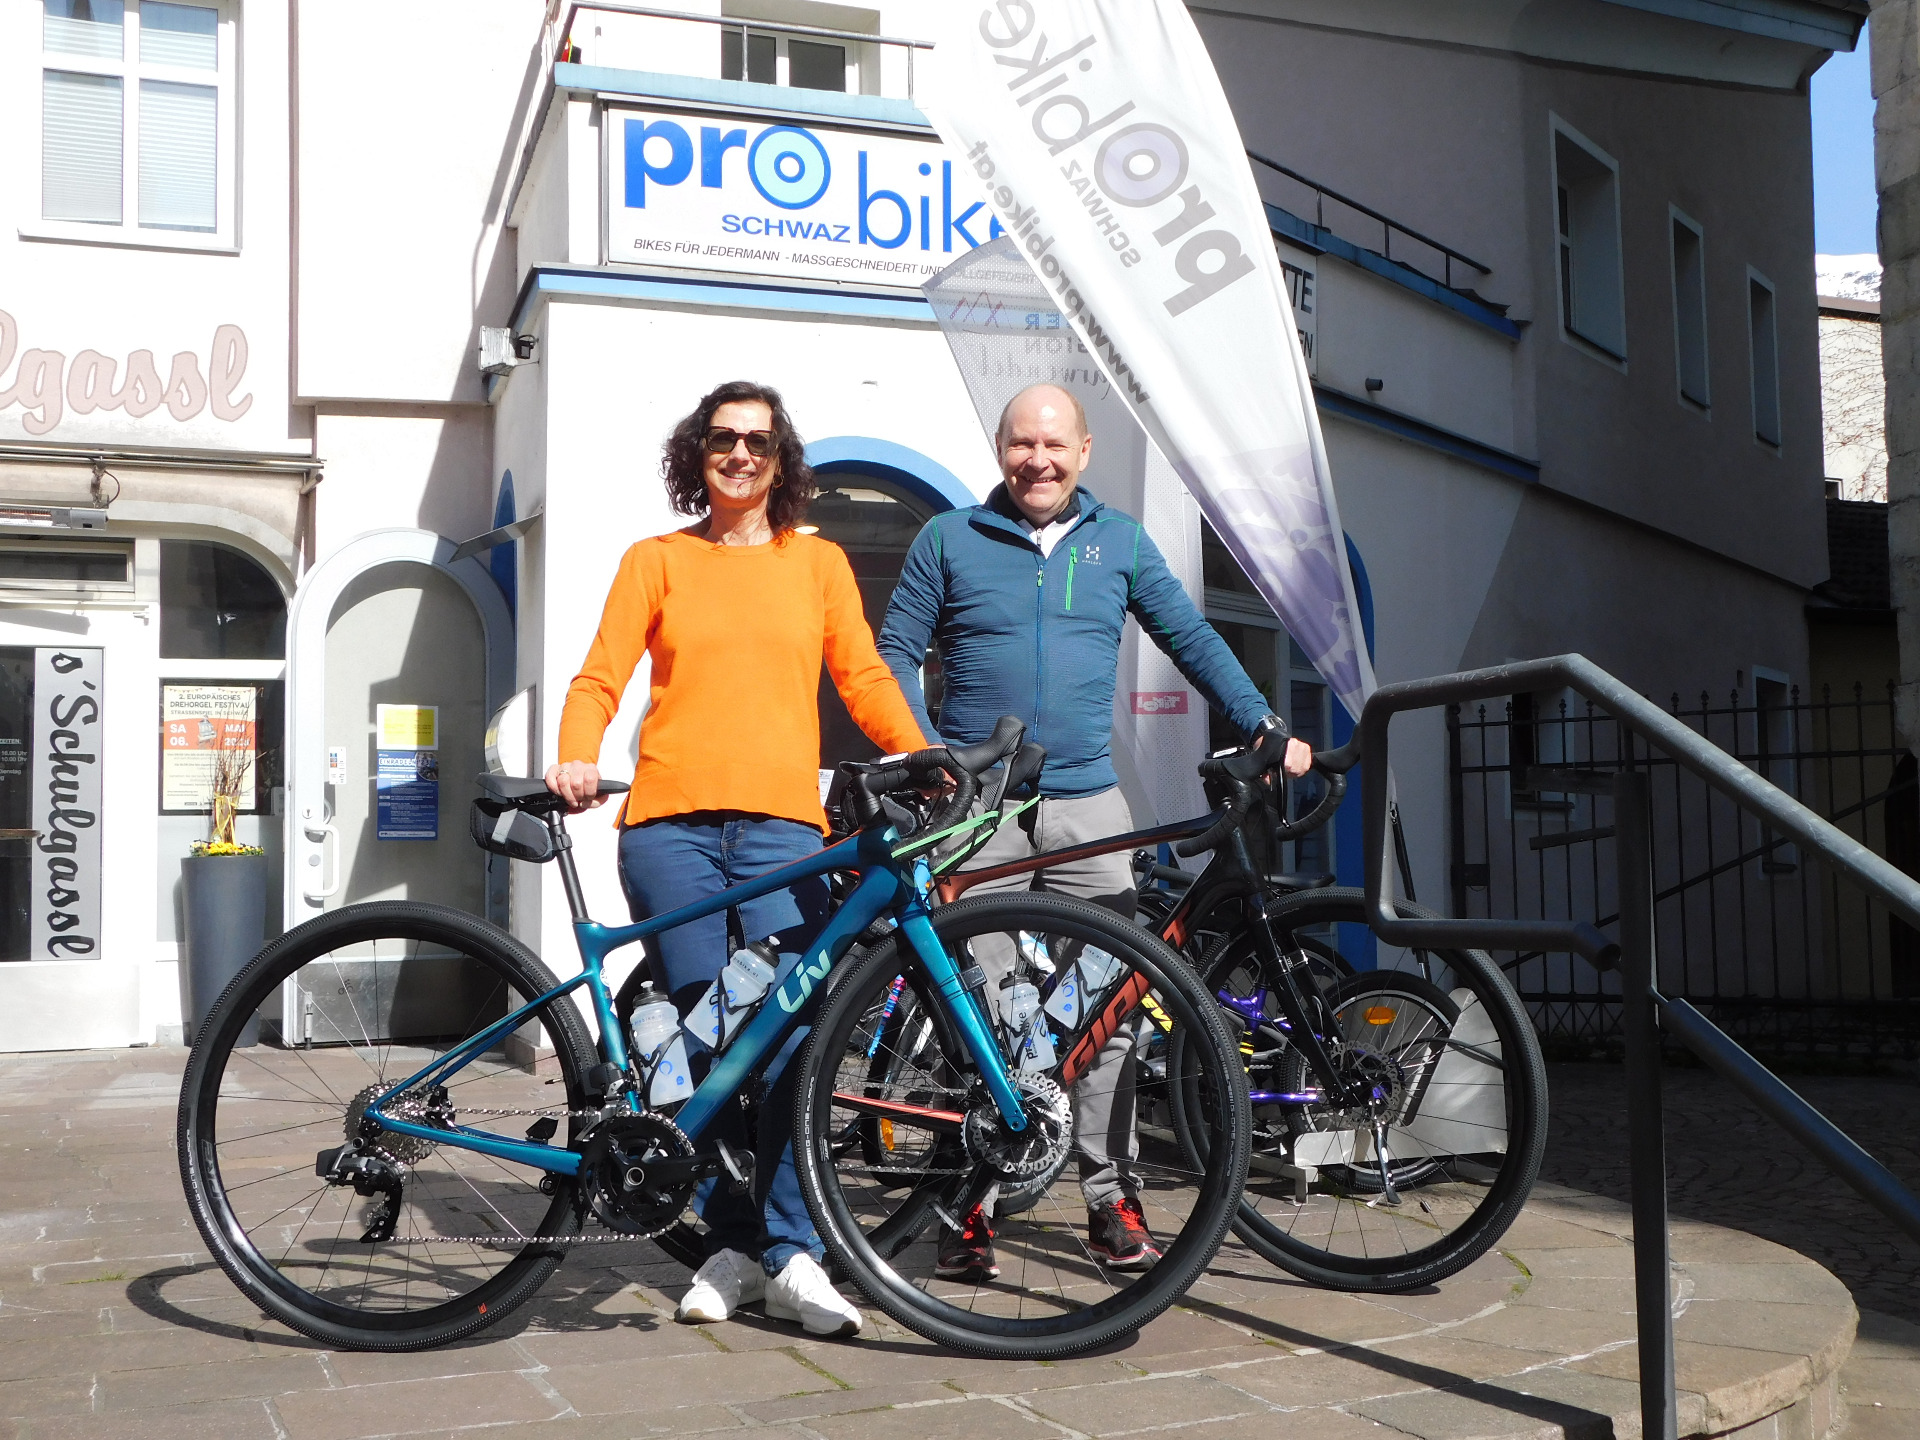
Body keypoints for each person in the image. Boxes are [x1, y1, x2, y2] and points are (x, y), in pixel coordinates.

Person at [875, 382, 1312, 1278]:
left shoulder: (1121, 542)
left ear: (1083, 451)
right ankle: (970, 1202)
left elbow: (1191, 637)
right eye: (1020, 444)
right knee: (983, 1010)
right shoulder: (948, 538)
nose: (1036, 460)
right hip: (978, 810)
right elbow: (892, 653)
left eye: (1054, 445)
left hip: (1088, 804)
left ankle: (1110, 1197)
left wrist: (1262, 723)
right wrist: (926, 755)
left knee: (1111, 1008)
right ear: (1001, 448)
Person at [546, 379, 929, 1338]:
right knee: (704, 1038)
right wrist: (577, 753)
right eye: (723, 438)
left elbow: (863, 674)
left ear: (781, 457)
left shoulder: (818, 562)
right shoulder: (658, 560)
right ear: (698, 452)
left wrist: (917, 752)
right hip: (668, 829)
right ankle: (730, 1243)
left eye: (759, 440)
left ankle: (792, 1252)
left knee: (792, 1036)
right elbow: (600, 674)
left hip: (782, 832)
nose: (740, 454)